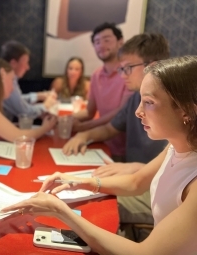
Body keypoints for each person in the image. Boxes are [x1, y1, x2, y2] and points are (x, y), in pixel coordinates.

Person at [1, 55, 197, 255]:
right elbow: (136, 183)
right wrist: (82, 181)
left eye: (148, 102)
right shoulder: (175, 147)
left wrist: (60, 211)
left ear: (186, 111)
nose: (138, 111)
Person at [63, 33, 170, 240]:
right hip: (139, 179)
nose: (122, 74)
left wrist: (138, 168)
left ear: (153, 66)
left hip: (157, 189)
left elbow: (182, 164)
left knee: (94, 202)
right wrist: (84, 134)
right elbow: (109, 129)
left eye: (128, 68)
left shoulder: (176, 105)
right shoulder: (135, 99)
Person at [72, 22, 133, 161]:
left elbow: (120, 112)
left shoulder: (129, 73)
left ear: (120, 42)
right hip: (98, 144)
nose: (101, 45)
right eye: (97, 42)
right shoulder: (96, 75)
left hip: (123, 150)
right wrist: (70, 119)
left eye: (106, 40)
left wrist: (85, 127)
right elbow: (89, 112)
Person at [0, 40, 57, 121]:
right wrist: (46, 105)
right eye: (25, 62)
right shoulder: (6, 81)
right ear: (13, 63)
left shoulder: (8, 77)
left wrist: (38, 96)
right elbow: (25, 113)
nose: (28, 67)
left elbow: (17, 100)